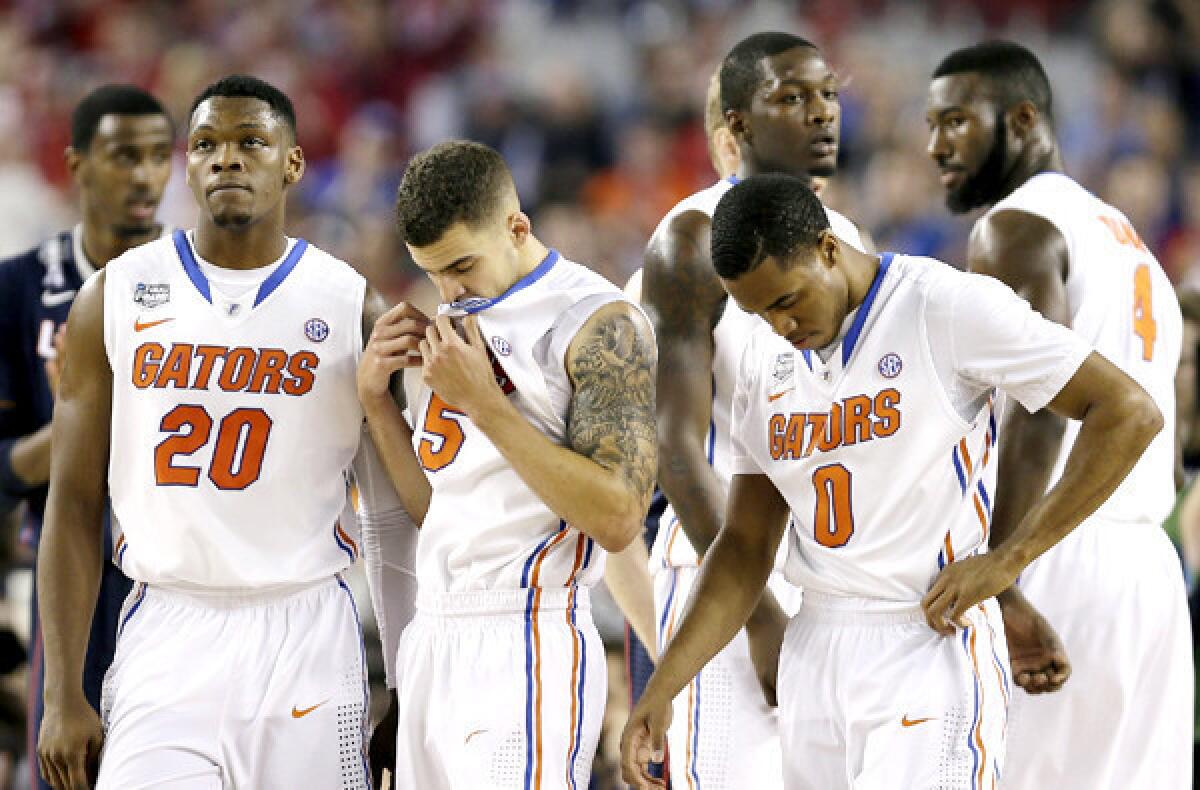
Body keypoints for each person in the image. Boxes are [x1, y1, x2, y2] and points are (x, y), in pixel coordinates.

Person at [621, 173, 1165, 789]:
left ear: (828, 248)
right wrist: (663, 688)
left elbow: (1128, 411)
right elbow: (745, 546)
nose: (780, 324)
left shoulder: (946, 306)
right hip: (816, 643)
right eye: (757, 312)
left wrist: (1009, 559)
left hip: (925, 638)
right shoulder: (764, 356)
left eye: (787, 300)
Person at [36, 74, 414, 789]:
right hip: (166, 627)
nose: (226, 160)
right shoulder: (113, 295)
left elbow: (389, 516)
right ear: (188, 163)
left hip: (305, 630)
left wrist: (402, 677)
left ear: (293, 164)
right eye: (206, 144)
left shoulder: (350, 305)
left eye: (250, 142)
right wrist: (62, 692)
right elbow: (75, 501)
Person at [926, 40, 1192, 788]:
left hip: (1057, 551)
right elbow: (1165, 451)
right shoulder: (1130, 242)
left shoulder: (1013, 227)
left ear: (1022, 117)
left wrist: (1005, 575)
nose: (934, 144)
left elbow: (1039, 410)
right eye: (929, 124)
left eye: (955, 120)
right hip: (1148, 566)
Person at [357, 139, 656, 789]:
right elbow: (440, 512)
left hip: (528, 634)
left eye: (461, 264)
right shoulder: (447, 320)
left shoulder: (598, 320)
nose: (448, 290)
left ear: (517, 227)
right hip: (434, 632)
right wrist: (377, 404)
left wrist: (486, 406)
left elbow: (619, 516)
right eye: (431, 271)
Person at [639, 32, 868, 789]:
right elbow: (674, 446)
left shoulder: (848, 241)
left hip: (832, 576)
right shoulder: (691, 236)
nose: (820, 114)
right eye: (792, 98)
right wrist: (759, 615)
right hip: (726, 571)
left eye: (827, 94)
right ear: (735, 127)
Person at [0, 84, 173, 790]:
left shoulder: (201, 284)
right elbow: (5, 469)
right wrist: (78, 409)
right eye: (123, 155)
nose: (144, 175)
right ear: (76, 164)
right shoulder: (17, 289)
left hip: (178, 581)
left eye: (160, 156)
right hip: (72, 580)